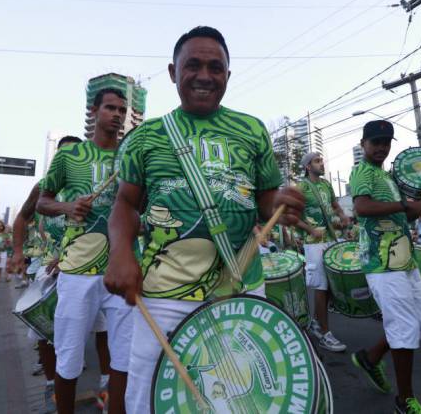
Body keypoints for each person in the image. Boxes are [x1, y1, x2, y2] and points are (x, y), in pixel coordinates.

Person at [104, 26, 305, 414]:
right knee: (151, 399)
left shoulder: (251, 130)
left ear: (228, 76)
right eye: (193, 65)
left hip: (241, 289)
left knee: (240, 400)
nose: (205, 76)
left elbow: (264, 197)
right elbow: (126, 204)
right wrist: (120, 255)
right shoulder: (146, 136)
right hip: (164, 295)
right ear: (172, 71)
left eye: (216, 67)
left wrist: (278, 201)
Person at [37, 88, 133, 414]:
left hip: (120, 270)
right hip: (77, 270)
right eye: (110, 108)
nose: (117, 114)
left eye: (122, 109)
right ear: (94, 111)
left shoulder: (130, 157)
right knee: (69, 355)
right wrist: (67, 206)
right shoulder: (69, 156)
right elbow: (42, 201)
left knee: (123, 356)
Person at [348, 120, 421, 414]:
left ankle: (370, 359)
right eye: (376, 142)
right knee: (405, 326)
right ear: (364, 144)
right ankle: (404, 401)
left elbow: (406, 216)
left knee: (416, 323)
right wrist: (406, 207)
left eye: (386, 142)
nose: (381, 148)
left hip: (403, 260)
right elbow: (362, 208)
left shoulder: (391, 179)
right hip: (380, 263)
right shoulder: (362, 172)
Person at [10, 134, 83, 414]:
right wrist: (18, 252)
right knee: (45, 330)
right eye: (63, 154)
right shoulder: (43, 187)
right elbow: (21, 219)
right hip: (47, 268)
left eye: (76, 153)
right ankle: (53, 383)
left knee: (101, 328)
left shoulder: (90, 183)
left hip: (85, 265)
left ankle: (104, 382)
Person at [297, 151, 348, 351]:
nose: (321, 163)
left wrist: (342, 215)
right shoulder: (301, 187)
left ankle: (317, 323)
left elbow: (335, 204)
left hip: (331, 238)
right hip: (313, 242)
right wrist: (310, 229)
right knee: (321, 286)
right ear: (308, 166)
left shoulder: (326, 184)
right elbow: (291, 214)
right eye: (317, 161)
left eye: (321, 160)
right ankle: (325, 334)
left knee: (330, 285)